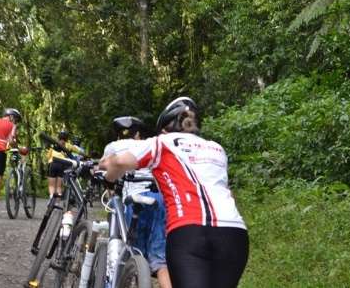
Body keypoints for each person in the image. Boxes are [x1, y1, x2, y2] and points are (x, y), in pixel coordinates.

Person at [99, 97, 249, 288]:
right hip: (234, 234)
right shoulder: (217, 149)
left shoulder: (163, 142)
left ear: (164, 128)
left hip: (189, 232)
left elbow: (118, 162)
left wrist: (108, 179)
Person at [102, 116, 172, 288]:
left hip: (134, 200)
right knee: (160, 261)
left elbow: (105, 167)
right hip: (160, 200)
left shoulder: (112, 146)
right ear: (138, 133)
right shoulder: (148, 143)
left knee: (131, 253)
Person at [44, 130, 85, 198]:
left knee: (51, 184)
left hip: (52, 163)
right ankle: (57, 202)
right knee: (59, 185)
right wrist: (86, 155)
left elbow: (48, 156)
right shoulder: (68, 145)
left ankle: (51, 199)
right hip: (61, 164)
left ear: (59, 137)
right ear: (67, 138)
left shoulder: (54, 144)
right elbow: (78, 151)